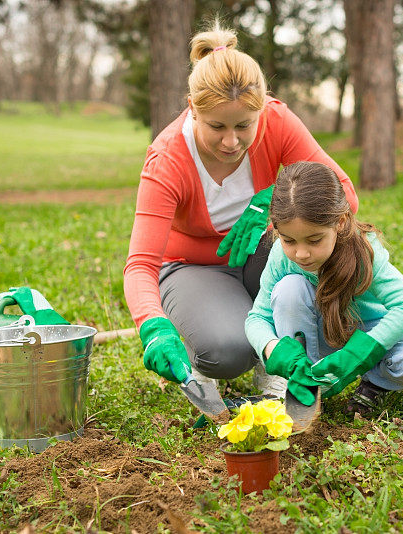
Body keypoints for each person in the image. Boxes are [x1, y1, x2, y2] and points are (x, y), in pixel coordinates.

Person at [123, 24, 358, 399]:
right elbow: (140, 265)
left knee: (339, 236)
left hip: (263, 258)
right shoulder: (168, 159)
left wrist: (269, 199)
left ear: (261, 111)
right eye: (217, 126)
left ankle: (279, 360)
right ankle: (212, 332)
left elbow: (344, 195)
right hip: (193, 267)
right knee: (229, 351)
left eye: (244, 126)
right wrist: (153, 326)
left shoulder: (276, 122)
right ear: (193, 110)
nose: (231, 142)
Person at [244, 161, 403, 416]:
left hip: (367, 333)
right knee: (288, 288)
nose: (301, 253)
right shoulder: (281, 258)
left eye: (315, 240)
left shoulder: (364, 253)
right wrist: (274, 348)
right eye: (289, 240)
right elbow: (257, 318)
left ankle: (374, 384)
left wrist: (358, 354)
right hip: (320, 338)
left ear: (340, 222)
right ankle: (308, 382)